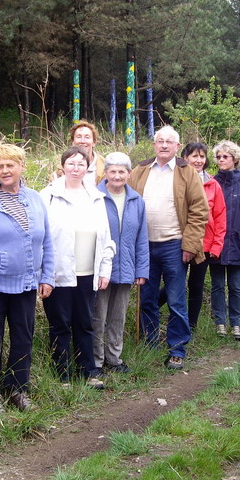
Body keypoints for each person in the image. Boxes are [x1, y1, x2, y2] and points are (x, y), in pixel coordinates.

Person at [0, 143, 55, 412]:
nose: (4, 170)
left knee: (23, 338)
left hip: (26, 285)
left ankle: (18, 388)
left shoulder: (35, 199)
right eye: (0, 166)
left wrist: (47, 276)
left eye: (10, 165)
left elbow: (47, 241)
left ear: (21, 167)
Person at [129, 126, 209, 370]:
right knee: (147, 299)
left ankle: (177, 348)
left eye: (169, 142)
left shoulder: (187, 172)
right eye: (160, 141)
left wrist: (190, 245)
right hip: (144, 246)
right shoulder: (140, 170)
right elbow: (125, 200)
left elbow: (199, 211)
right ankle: (150, 345)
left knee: (176, 300)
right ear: (154, 145)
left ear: (177, 146)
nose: (164, 145)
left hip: (175, 246)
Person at [40, 146, 115, 388]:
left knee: (85, 322)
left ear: (87, 167)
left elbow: (105, 237)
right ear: (62, 166)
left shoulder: (95, 196)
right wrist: (44, 274)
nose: (76, 168)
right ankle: (63, 374)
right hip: (58, 274)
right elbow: (39, 238)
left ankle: (88, 371)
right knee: (60, 324)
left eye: (81, 163)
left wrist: (104, 270)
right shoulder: (48, 196)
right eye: (71, 163)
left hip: (87, 273)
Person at [93, 152, 149, 374]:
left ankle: (114, 359)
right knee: (97, 317)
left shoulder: (137, 201)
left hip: (126, 267)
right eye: (112, 171)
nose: (117, 176)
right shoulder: (94, 197)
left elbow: (141, 238)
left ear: (129, 173)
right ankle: (96, 361)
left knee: (118, 317)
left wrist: (141, 269)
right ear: (105, 173)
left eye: (121, 171)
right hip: (100, 269)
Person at [210, 140, 240, 341]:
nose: (221, 160)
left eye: (226, 156)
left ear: (235, 159)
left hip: (238, 245)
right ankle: (219, 323)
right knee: (217, 285)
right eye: (219, 157)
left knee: (236, 286)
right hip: (216, 245)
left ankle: (236, 324)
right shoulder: (212, 183)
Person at [182, 142, 227, 330]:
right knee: (173, 285)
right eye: (194, 156)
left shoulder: (213, 184)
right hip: (181, 242)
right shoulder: (177, 179)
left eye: (202, 156)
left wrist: (216, 246)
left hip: (205, 245)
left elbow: (220, 217)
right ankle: (150, 312)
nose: (198, 160)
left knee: (196, 285)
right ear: (185, 158)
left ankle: (191, 326)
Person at [50, 120, 105, 185]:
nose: (82, 141)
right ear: (73, 142)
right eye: (79, 137)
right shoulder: (60, 170)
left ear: (94, 142)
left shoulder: (105, 169)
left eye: (87, 137)